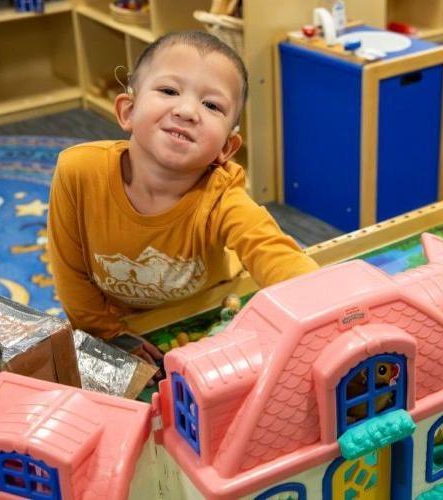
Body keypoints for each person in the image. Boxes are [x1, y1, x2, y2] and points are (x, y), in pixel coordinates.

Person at [47, 31, 319, 374]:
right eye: (169, 91)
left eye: (212, 105)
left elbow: (274, 252)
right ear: (128, 110)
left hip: (214, 313)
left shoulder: (222, 196)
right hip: (122, 324)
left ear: (226, 148)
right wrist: (107, 332)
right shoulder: (78, 172)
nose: (188, 110)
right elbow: (70, 272)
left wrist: (324, 303)